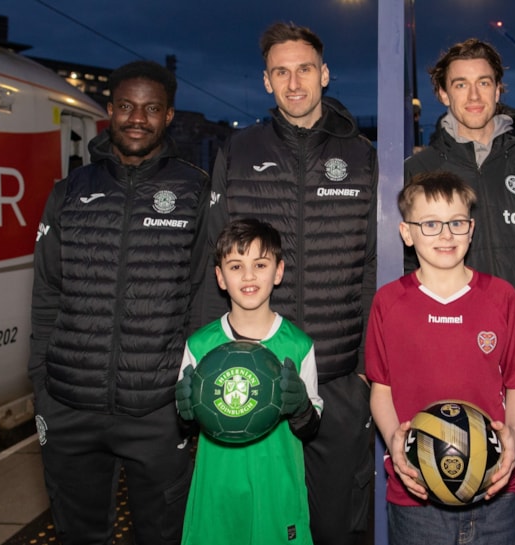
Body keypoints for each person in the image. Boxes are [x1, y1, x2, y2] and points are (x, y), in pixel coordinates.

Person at [190, 22, 377, 545]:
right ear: (266, 81)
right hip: (248, 375)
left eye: (304, 69)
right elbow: (215, 256)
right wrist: (204, 358)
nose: (294, 83)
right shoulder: (240, 149)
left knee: (337, 524)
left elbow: (372, 266)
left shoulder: (362, 156)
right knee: (259, 526)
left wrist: (365, 367)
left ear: (325, 74)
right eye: (281, 72)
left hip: (338, 377)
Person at [28, 60, 208, 545]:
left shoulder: (196, 191)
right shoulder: (68, 193)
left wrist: (188, 390)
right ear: (109, 111)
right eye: (126, 106)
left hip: (158, 410)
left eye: (151, 108)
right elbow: (46, 294)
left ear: (168, 116)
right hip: (70, 407)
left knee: (163, 535)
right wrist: (41, 388)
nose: (137, 118)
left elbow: (204, 297)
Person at [403, 38, 515, 545]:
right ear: (441, 93)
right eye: (460, 84)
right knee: (455, 504)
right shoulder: (418, 172)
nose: (473, 95)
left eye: (483, 82)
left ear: (500, 89)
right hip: (452, 362)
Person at [367, 171, 515, 545]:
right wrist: (395, 441)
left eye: (456, 222)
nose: (446, 234)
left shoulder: (501, 296)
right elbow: (381, 389)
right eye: (430, 224)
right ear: (407, 233)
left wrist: (513, 438)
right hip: (418, 497)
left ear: (471, 229)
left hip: (497, 490)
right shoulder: (388, 302)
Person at [175, 218, 323, 544]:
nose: (249, 275)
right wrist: (184, 414)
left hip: (277, 491)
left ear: (279, 272)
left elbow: (311, 428)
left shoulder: (298, 347)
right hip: (217, 492)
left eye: (260, 264)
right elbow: (185, 429)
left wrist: (300, 408)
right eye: (236, 266)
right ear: (220, 278)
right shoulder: (200, 346)